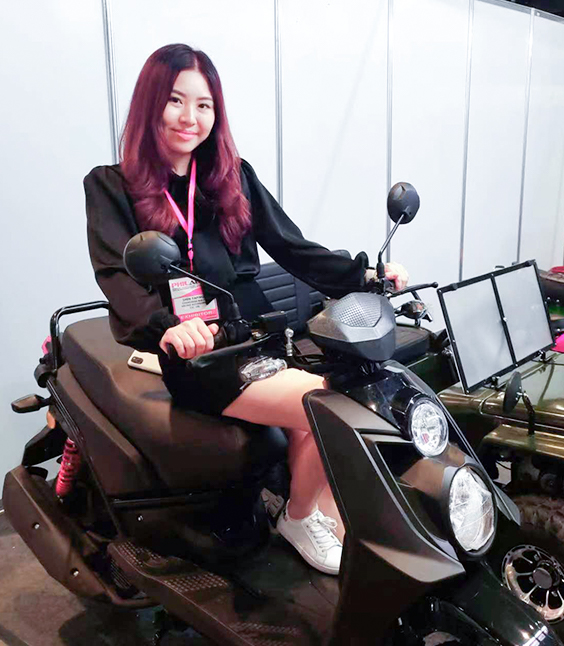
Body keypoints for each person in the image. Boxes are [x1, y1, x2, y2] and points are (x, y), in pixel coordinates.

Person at [84, 44, 408, 576]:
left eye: (204, 105)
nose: (190, 117)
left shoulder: (232, 177)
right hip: (201, 355)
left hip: (260, 337)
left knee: (348, 390)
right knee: (328, 405)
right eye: (175, 101)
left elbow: (292, 246)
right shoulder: (110, 185)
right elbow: (117, 275)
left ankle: (310, 510)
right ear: (150, 103)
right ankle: (301, 519)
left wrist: (363, 276)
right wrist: (168, 328)